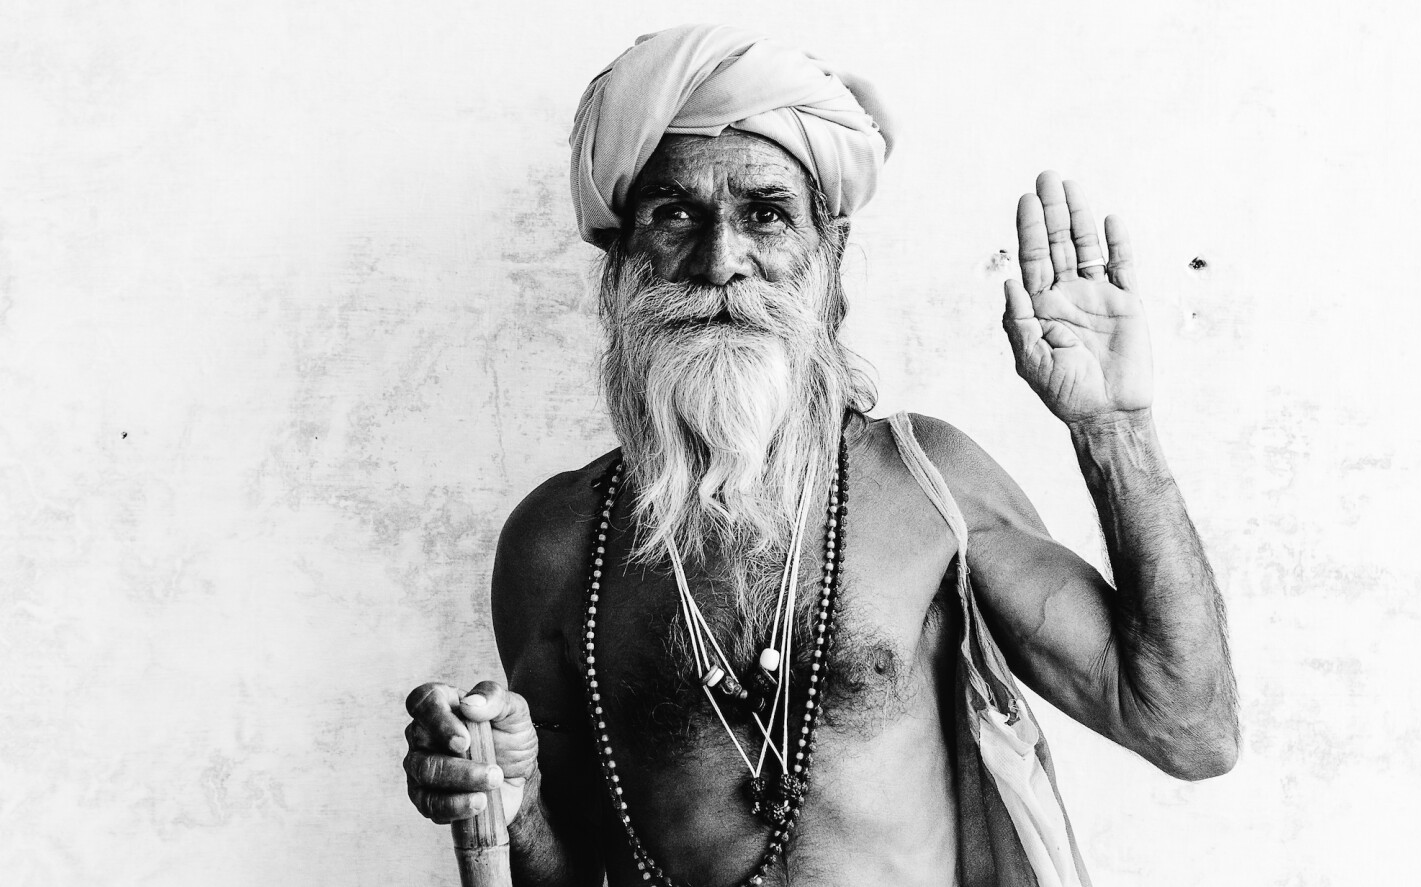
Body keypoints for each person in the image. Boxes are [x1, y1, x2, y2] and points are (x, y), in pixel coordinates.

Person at [402, 24, 1239, 887]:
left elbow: (1186, 727)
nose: (722, 260)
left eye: (765, 213)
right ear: (621, 259)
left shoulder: (927, 485)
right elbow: (561, 875)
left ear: (827, 254)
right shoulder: (557, 543)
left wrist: (1114, 431)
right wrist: (511, 804)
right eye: (674, 213)